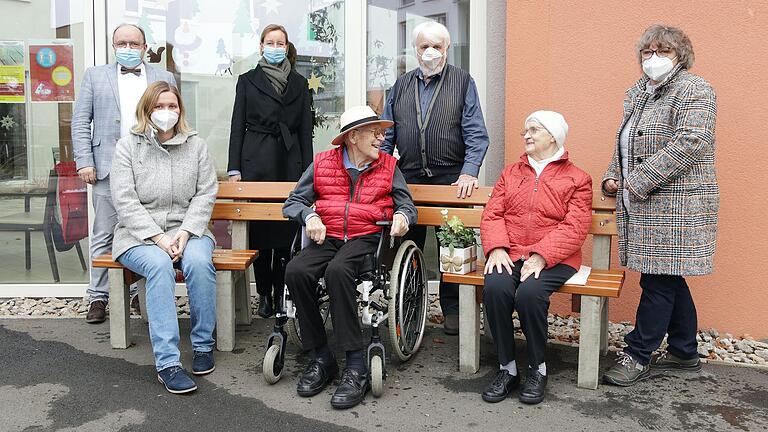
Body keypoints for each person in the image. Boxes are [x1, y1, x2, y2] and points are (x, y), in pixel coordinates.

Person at [601, 24, 719, 387]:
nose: (653, 59)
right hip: (645, 205)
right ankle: (684, 352)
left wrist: (636, 181)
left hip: (676, 205)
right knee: (667, 277)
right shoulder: (638, 92)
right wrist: (611, 175)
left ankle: (638, 352)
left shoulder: (694, 89)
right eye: (646, 52)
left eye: (663, 52)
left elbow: (691, 142)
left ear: (680, 55)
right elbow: (625, 142)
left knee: (657, 281)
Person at [282, 105, 417, 409]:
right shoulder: (322, 163)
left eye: (382, 132)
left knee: (338, 271)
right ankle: (321, 356)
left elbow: (407, 206)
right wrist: (309, 216)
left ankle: (356, 365)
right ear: (353, 137)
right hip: (327, 234)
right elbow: (293, 202)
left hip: (365, 236)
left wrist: (402, 218)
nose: (382, 138)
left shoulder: (388, 166)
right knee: (296, 271)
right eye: (375, 132)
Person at [381, 20, 489, 335]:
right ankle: (406, 305)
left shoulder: (462, 81)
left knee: (453, 248)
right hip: (409, 178)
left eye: (437, 47)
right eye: (424, 46)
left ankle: (453, 310)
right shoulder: (400, 85)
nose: (430, 52)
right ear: (415, 50)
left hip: (451, 178)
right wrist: (384, 172)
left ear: (447, 49)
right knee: (404, 244)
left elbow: (476, 133)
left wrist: (470, 171)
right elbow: (387, 135)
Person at [110, 81, 218, 394]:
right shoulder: (128, 146)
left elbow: (206, 192)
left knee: (198, 261)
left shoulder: (195, 145)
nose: (166, 112)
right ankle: (168, 363)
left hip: (189, 230)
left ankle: (202, 345)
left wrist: (185, 233)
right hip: (137, 236)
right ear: (147, 110)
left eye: (172, 106)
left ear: (180, 110)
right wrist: (158, 238)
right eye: (159, 106)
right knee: (159, 265)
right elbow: (124, 199)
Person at [480, 111, 592, 404]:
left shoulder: (578, 178)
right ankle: (507, 367)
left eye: (534, 130)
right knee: (495, 287)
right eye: (525, 130)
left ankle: (537, 368)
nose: (526, 135)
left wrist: (542, 255)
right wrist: (497, 247)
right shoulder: (511, 173)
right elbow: (493, 214)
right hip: (511, 250)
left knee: (529, 294)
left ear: (553, 136)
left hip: (556, 258)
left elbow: (576, 226)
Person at [72, 23, 176, 324]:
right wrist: (84, 161)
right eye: (121, 43)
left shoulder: (164, 77)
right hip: (106, 166)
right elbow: (81, 121)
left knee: (145, 229)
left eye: (134, 44)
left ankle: (135, 294)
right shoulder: (95, 76)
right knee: (104, 232)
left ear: (145, 48)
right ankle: (98, 296)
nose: (127, 49)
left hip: (150, 167)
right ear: (114, 46)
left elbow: (174, 119)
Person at [227, 24, 313, 318]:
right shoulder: (247, 81)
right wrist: (234, 167)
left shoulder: (300, 84)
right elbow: (237, 125)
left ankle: (282, 293)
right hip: (256, 161)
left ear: (287, 47)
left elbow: (305, 131)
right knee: (261, 235)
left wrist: (309, 172)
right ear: (261, 46)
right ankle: (264, 292)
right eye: (270, 42)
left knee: (286, 232)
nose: (275, 46)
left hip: (290, 162)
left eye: (281, 42)